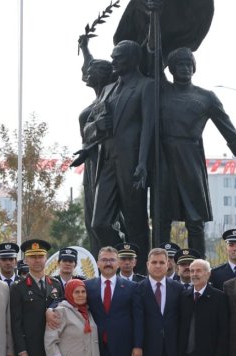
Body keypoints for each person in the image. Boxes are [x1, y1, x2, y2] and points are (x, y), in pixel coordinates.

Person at [153, 47, 236, 255]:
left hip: (191, 159)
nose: (185, 69)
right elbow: (154, 55)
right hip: (164, 158)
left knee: (195, 218)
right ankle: (160, 262)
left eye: (189, 65)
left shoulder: (206, 97)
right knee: (162, 217)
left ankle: (198, 262)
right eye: (180, 65)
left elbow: (228, 129)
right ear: (171, 69)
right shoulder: (162, 91)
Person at [81, 40, 154, 269]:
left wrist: (143, 162)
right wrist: (98, 125)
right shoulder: (107, 89)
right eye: (112, 57)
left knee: (136, 224)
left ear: (132, 59)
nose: (113, 62)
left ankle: (140, 272)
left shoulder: (145, 86)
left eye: (118, 58)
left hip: (131, 162)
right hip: (106, 161)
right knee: (99, 223)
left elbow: (148, 128)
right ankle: (125, 256)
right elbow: (88, 128)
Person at [72, 32, 116, 259]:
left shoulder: (112, 100)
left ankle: (118, 254)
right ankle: (98, 260)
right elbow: (90, 64)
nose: (87, 73)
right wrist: (85, 48)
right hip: (89, 164)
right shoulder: (94, 103)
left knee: (104, 220)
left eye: (92, 71)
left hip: (107, 163)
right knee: (91, 220)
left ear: (103, 76)